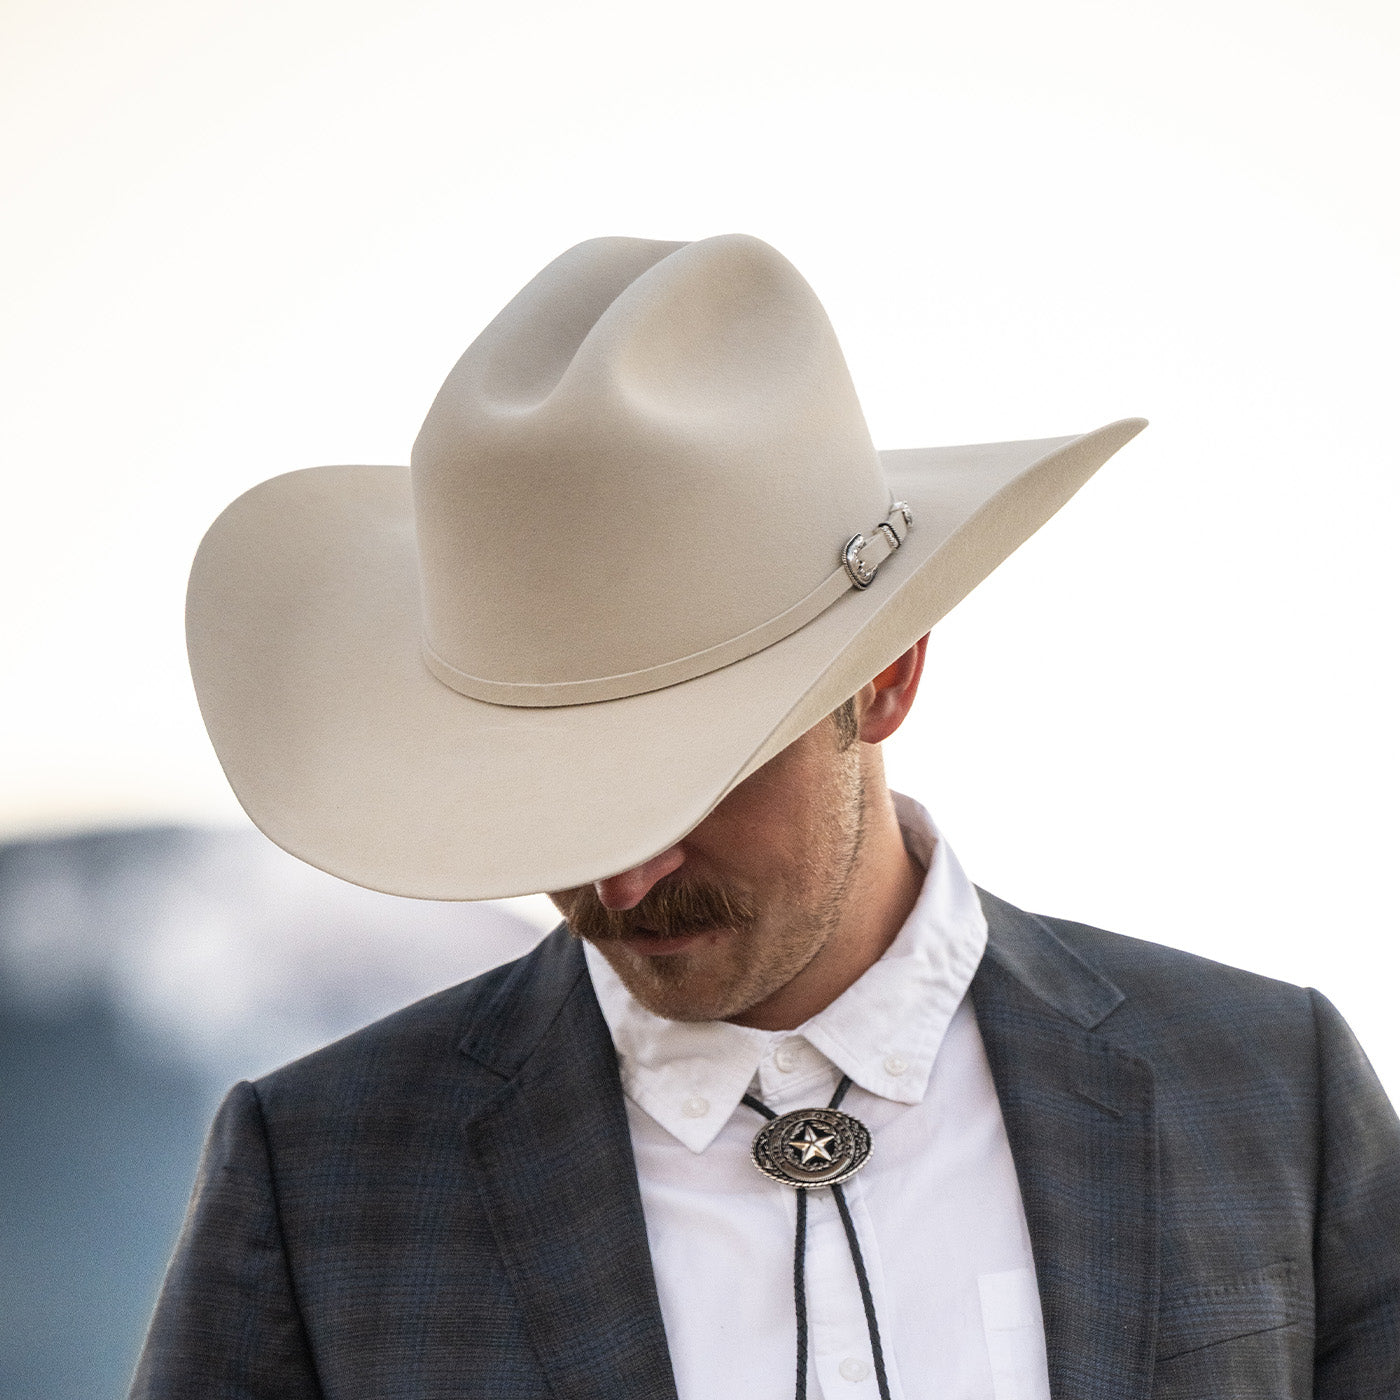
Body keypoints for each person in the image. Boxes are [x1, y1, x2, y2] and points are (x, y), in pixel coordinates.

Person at [134, 234, 1399, 1399]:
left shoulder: (1266, 1090)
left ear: (884, 677)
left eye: (689, 777)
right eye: (547, 799)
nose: (620, 878)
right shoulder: (320, 1176)